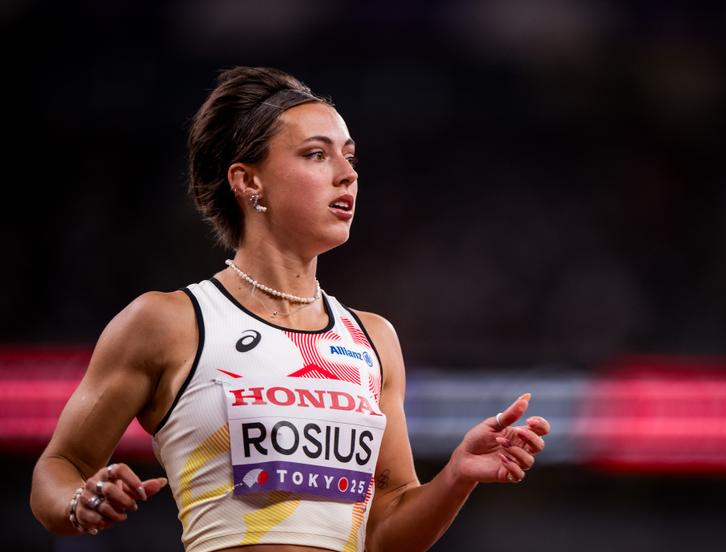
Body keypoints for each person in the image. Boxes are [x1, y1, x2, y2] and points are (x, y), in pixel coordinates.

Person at [30, 66, 550, 552]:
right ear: (248, 181)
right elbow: (60, 466)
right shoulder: (170, 323)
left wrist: (457, 475)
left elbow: (385, 531)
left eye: (350, 155)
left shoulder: (372, 340)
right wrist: (80, 500)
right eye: (317, 155)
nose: (347, 174)